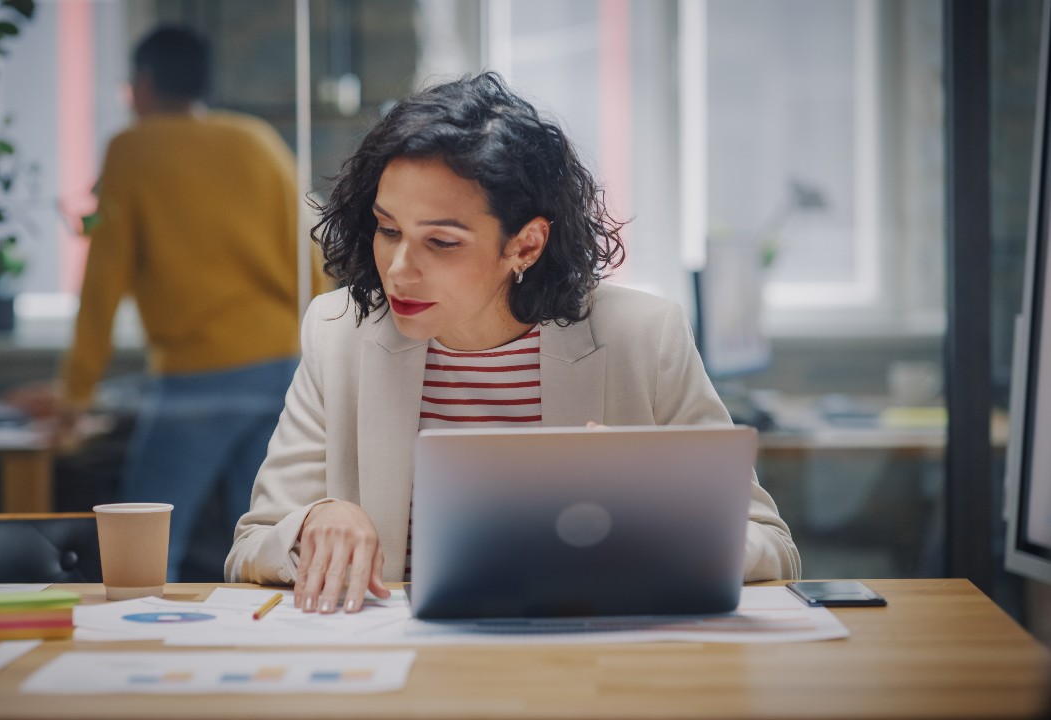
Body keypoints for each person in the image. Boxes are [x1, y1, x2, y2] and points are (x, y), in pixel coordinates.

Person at [225, 72, 800, 612]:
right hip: (400, 668)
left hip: (585, 660)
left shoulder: (643, 338)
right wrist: (313, 521)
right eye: (389, 229)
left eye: (441, 243)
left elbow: (770, 545)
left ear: (525, 246)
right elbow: (250, 546)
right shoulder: (338, 333)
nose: (399, 269)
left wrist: (658, 515)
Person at [55, 26, 311, 581]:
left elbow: (104, 277)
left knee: (140, 552)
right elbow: (309, 252)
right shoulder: (256, 139)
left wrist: (76, 390)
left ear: (141, 85)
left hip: (198, 376)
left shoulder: (133, 147)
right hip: (279, 364)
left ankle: (132, 658)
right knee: (268, 541)